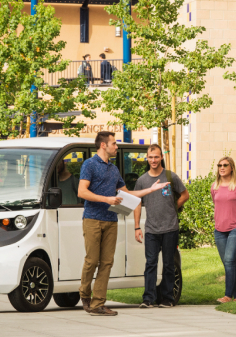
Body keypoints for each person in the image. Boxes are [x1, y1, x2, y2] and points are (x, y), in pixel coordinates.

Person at [78, 132, 168, 316]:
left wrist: (150, 189)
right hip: (92, 219)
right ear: (103, 145)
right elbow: (82, 192)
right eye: (114, 143)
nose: (116, 147)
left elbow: (127, 194)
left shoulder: (114, 169)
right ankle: (84, 293)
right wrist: (107, 199)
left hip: (111, 220)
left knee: (107, 263)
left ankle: (98, 304)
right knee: (92, 261)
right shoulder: (89, 165)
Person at [134, 144, 190, 308]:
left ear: (161, 157)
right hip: (151, 229)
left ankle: (167, 298)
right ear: (147, 158)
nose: (153, 160)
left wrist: (174, 208)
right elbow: (138, 203)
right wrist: (137, 227)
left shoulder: (170, 177)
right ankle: (148, 298)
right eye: (150, 157)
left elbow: (185, 194)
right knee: (150, 263)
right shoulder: (142, 180)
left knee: (168, 264)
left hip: (170, 228)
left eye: (156, 157)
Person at [211, 156, 236, 304]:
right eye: (219, 165)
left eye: (225, 165)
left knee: (230, 260)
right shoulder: (215, 186)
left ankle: (228, 296)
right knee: (228, 263)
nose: (222, 167)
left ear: (232, 167)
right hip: (219, 229)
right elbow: (217, 204)